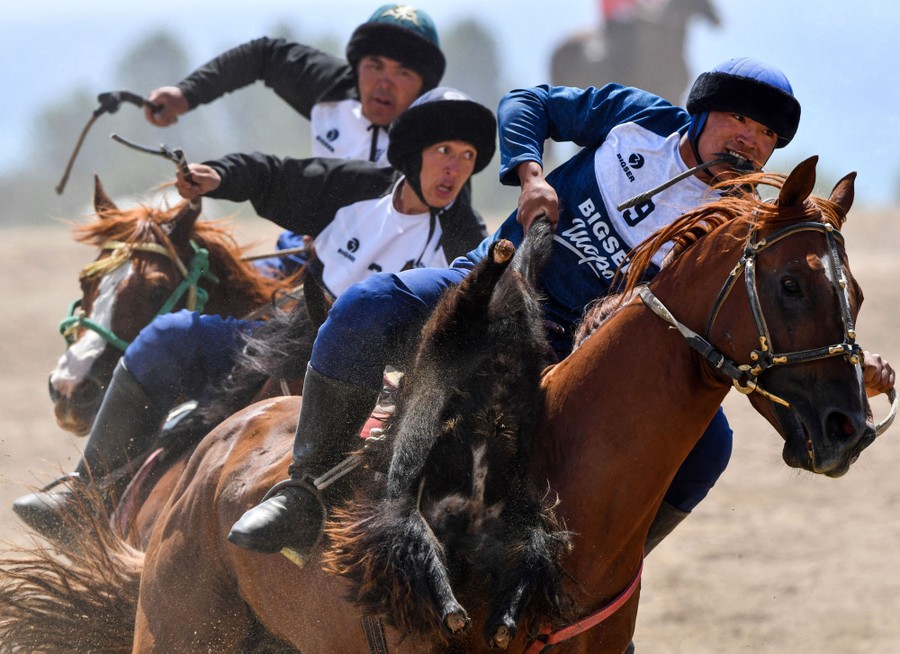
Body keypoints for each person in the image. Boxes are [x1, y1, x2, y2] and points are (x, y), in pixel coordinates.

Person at [226, 57, 894, 559]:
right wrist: (531, 177)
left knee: (711, 447)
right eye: (739, 120)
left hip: (590, 356)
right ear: (702, 114)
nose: (749, 141)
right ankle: (304, 490)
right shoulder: (638, 119)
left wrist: (844, 366)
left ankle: (606, 575)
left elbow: (769, 319)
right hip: (488, 292)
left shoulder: (740, 223)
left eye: (766, 134)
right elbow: (529, 103)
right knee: (366, 305)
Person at [13, 88, 497, 545]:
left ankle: (305, 509)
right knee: (168, 336)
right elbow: (275, 173)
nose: (454, 168)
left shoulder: (465, 238)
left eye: (467, 156)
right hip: (289, 331)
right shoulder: (357, 186)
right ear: (413, 153)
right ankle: (85, 492)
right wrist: (219, 176)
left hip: (367, 375)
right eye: (444, 151)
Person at [144, 3, 449, 276]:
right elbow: (264, 56)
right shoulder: (332, 84)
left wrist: (340, 240)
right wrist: (187, 93)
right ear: (358, 66)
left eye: (403, 73)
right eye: (375, 65)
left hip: (380, 273)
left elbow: (436, 236)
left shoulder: (441, 145)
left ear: (423, 86)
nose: (384, 83)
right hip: (303, 246)